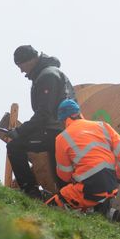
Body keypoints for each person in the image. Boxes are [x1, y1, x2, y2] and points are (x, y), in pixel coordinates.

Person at [6, 44, 75, 199]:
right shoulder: (49, 73)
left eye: (21, 65)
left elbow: (44, 113)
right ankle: (68, 202)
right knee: (60, 172)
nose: (21, 71)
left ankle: (31, 192)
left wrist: (20, 131)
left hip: (55, 131)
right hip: (62, 130)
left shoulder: (47, 76)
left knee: (15, 146)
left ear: (30, 60)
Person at [46, 98, 120, 212]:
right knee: (99, 203)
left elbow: (64, 175)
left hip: (89, 188)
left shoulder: (62, 138)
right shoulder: (103, 126)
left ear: (64, 120)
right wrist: (119, 176)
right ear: (79, 113)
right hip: (111, 186)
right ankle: (111, 213)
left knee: (51, 205)